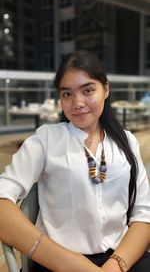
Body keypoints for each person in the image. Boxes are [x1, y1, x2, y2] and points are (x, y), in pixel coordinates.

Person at [0, 50, 150, 272]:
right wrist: (76, 266)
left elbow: (143, 214)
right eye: (67, 94)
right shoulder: (47, 139)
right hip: (57, 262)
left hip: (121, 258)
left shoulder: (127, 142)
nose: (77, 103)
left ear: (106, 89)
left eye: (88, 90)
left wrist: (115, 266)